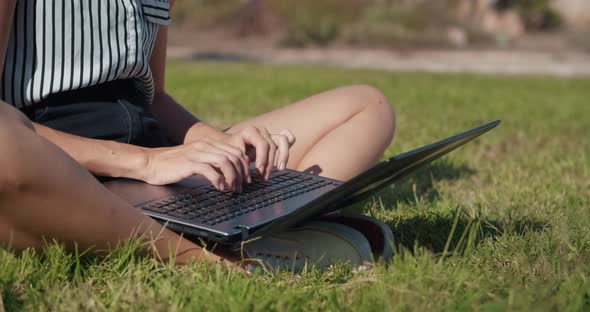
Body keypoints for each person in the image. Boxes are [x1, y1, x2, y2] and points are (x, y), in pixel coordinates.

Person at [0, 0, 396, 270]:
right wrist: (147, 163)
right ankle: (220, 261)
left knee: (365, 106)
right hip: (60, 168)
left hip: (158, 165)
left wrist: (208, 140)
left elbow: (153, 96)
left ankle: (254, 218)